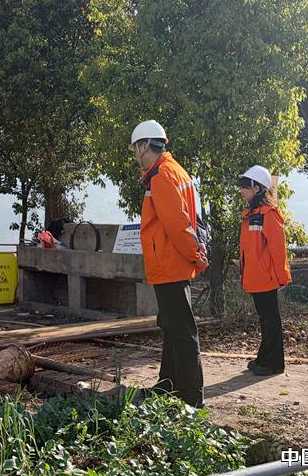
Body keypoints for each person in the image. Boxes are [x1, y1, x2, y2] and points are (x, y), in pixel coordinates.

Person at [130, 120, 208, 408]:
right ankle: (168, 385)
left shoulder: (161, 176)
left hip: (169, 263)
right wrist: (197, 250)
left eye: (135, 149)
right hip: (173, 262)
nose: (134, 155)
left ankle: (192, 400)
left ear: (145, 146)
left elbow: (178, 225)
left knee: (183, 332)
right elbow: (193, 219)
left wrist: (194, 254)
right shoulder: (175, 170)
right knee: (173, 327)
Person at [238, 165, 291, 376]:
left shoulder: (269, 214)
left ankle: (274, 363)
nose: (241, 191)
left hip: (266, 277)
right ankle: (265, 358)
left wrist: (282, 276)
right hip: (255, 277)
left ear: (257, 188)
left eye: (245, 186)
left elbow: (278, 248)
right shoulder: (251, 215)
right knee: (265, 319)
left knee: (271, 319)